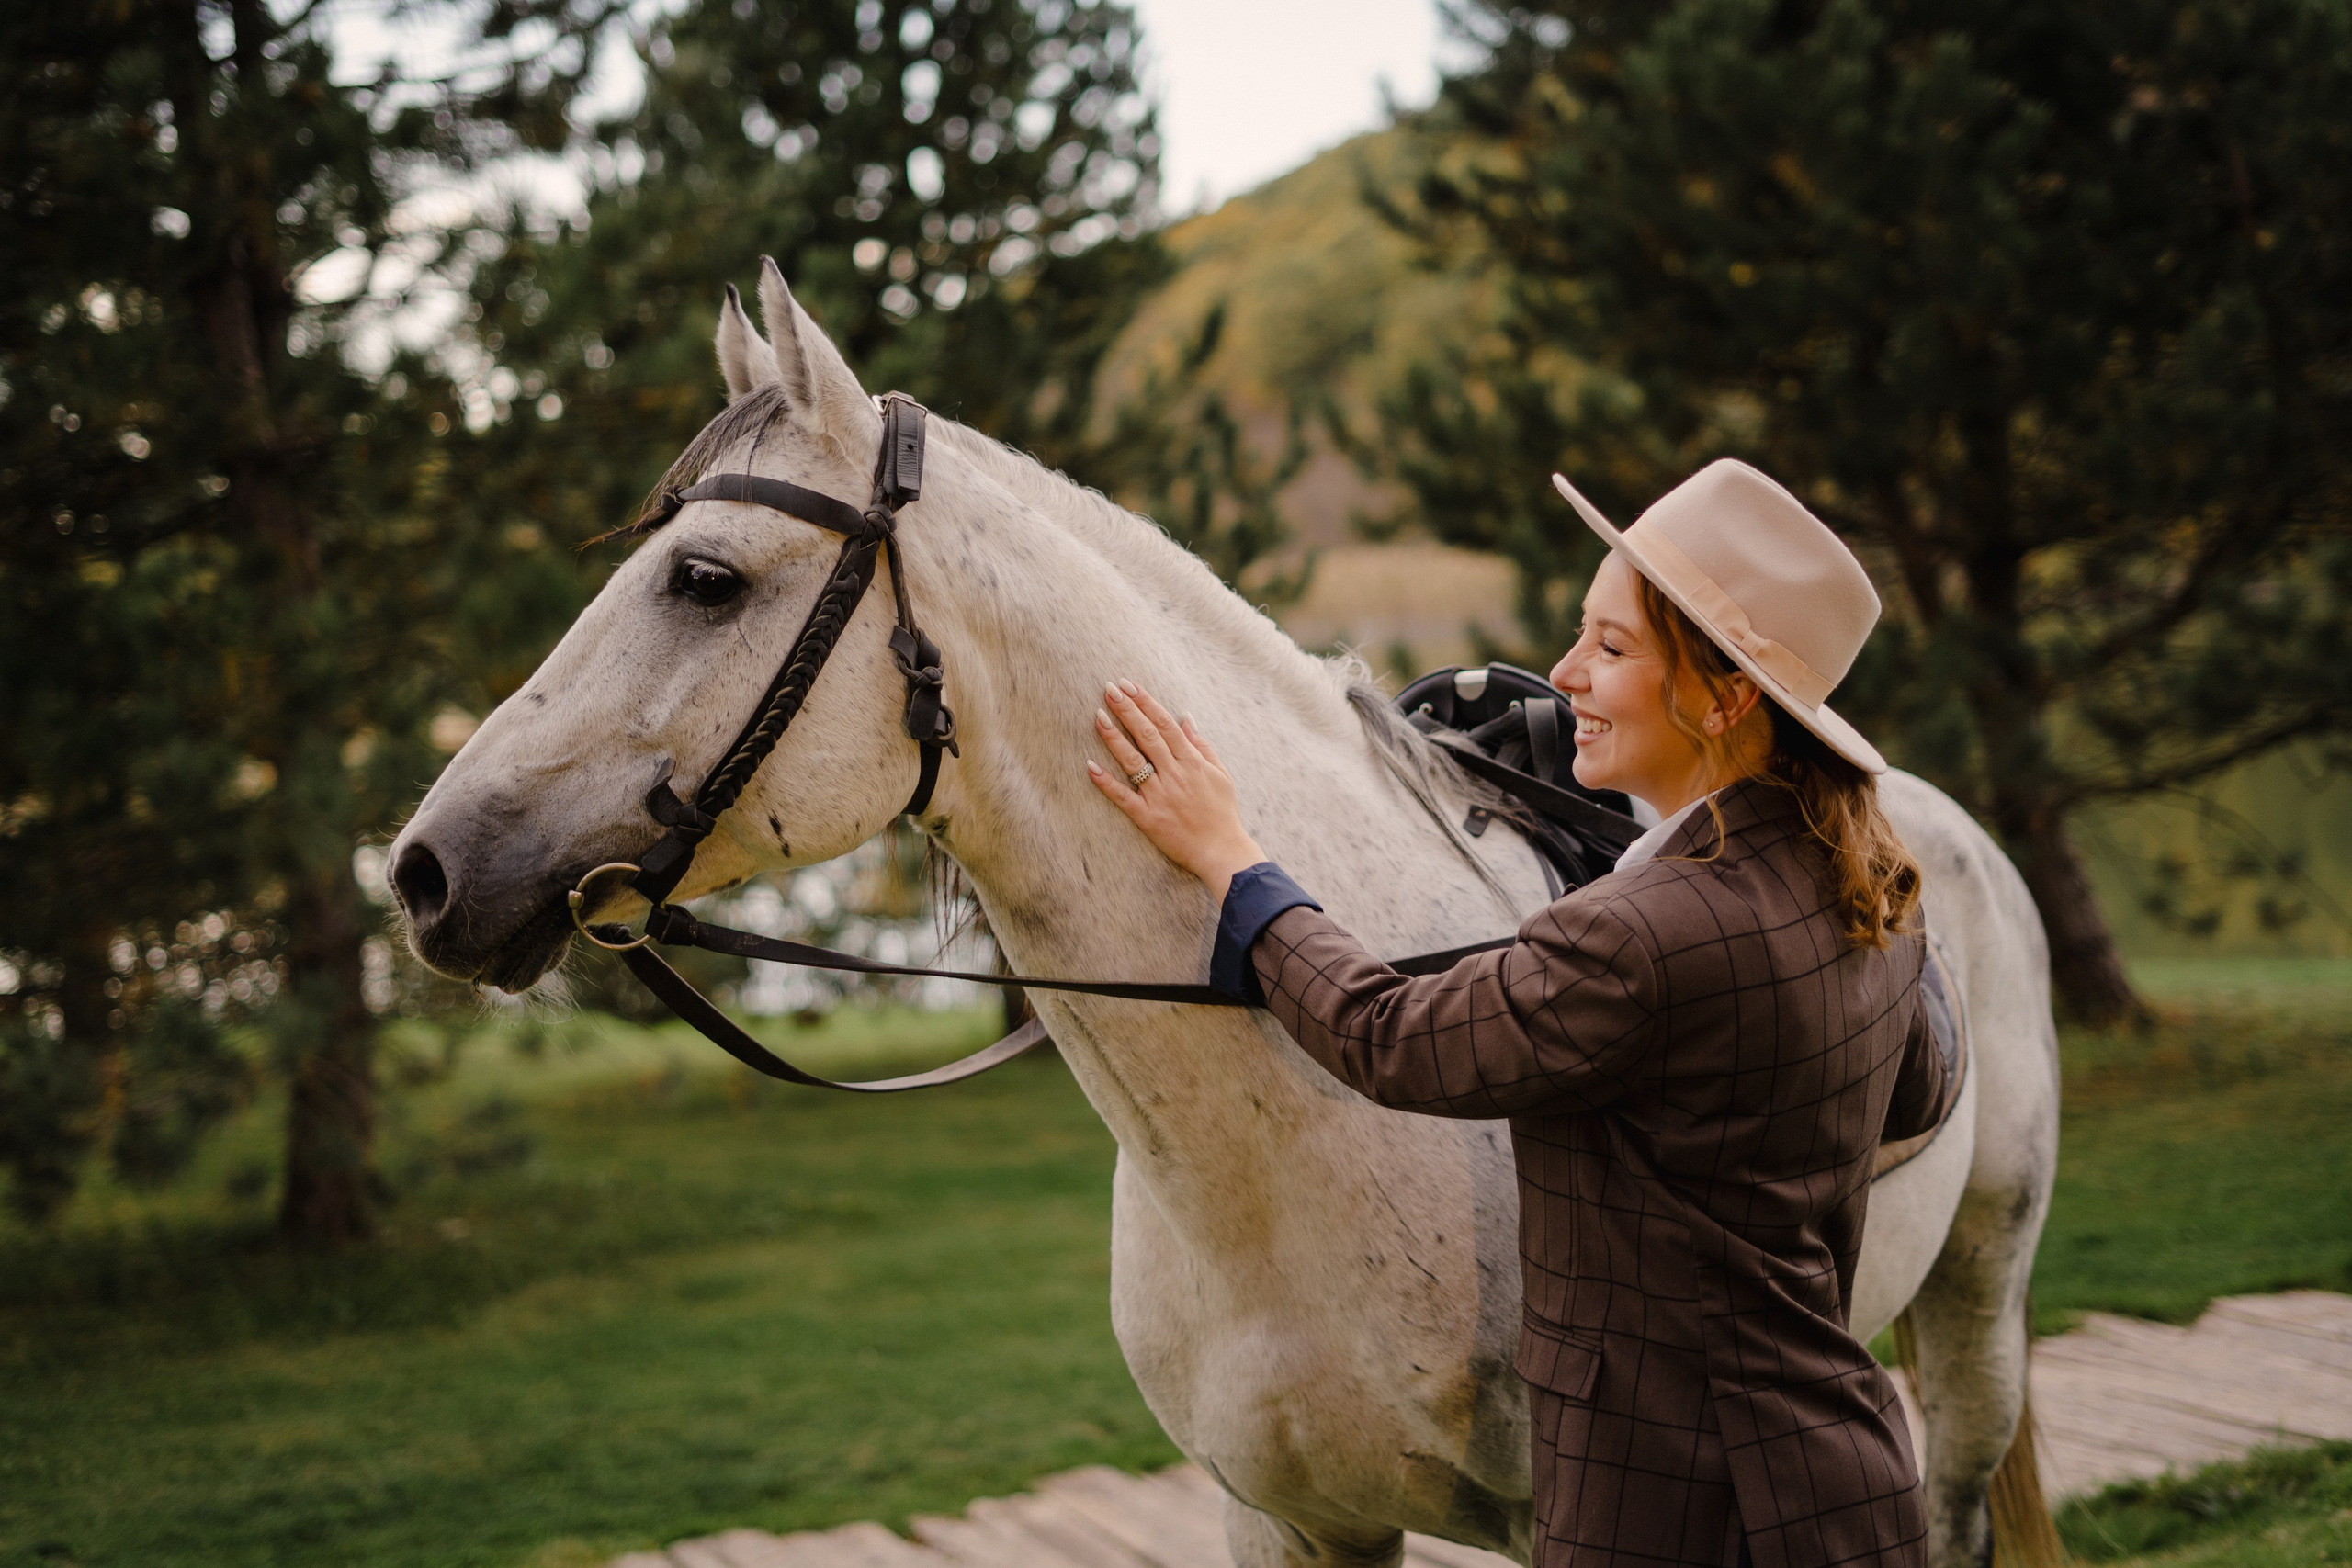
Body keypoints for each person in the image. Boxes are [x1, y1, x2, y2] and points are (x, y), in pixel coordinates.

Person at [1084, 459, 1956, 1568]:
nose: (1561, 673)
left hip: (1670, 1517)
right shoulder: (1866, 884)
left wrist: (1233, 858)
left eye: (1611, 647)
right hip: (1845, 1492)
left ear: (1725, 696)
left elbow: (1384, 1035)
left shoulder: (1640, 932)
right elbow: (1918, 1087)